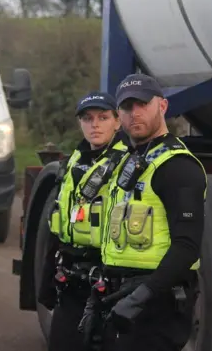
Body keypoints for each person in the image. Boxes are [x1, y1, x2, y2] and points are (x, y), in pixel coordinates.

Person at [97, 74, 206, 351]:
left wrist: (141, 297)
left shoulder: (177, 166)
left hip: (156, 305)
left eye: (142, 104)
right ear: (118, 115)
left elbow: (187, 247)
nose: (134, 114)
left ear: (163, 107)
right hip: (122, 299)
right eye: (126, 107)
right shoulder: (128, 161)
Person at [37, 92, 128, 351]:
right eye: (87, 119)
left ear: (117, 122)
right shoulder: (71, 164)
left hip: (110, 282)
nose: (95, 124)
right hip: (71, 279)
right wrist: (46, 277)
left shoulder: (129, 163)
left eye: (103, 117)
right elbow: (59, 224)